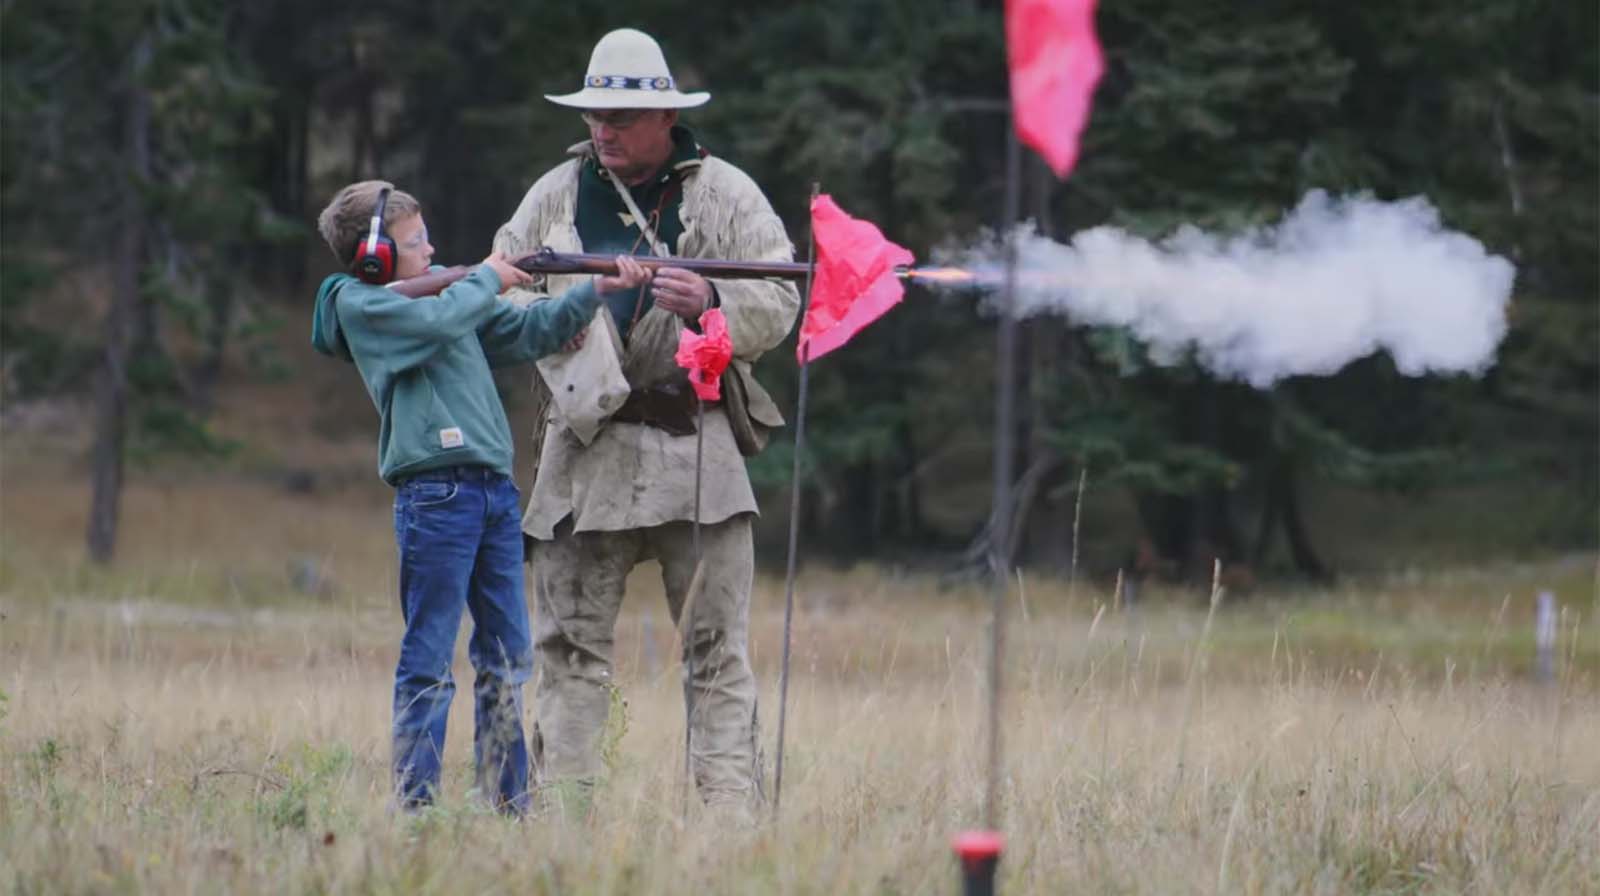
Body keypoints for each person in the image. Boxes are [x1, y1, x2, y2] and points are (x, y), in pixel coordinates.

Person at [493, 28, 800, 816]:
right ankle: (564, 825)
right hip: (583, 452)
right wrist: (568, 313)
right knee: (567, 655)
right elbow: (499, 289)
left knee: (716, 655)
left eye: (621, 115)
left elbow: (781, 298)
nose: (604, 129)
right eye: (596, 113)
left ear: (666, 116)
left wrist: (713, 302)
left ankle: (728, 827)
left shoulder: (728, 194)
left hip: (696, 449)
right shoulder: (555, 194)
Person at [311, 179, 650, 813]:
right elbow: (441, 316)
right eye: (415, 244)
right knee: (429, 662)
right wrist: (490, 277)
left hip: (493, 491)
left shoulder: (449, 296)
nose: (431, 248)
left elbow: (523, 334)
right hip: (436, 493)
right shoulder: (365, 306)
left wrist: (594, 292)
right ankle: (416, 809)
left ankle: (507, 806)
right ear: (374, 257)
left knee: (507, 659)